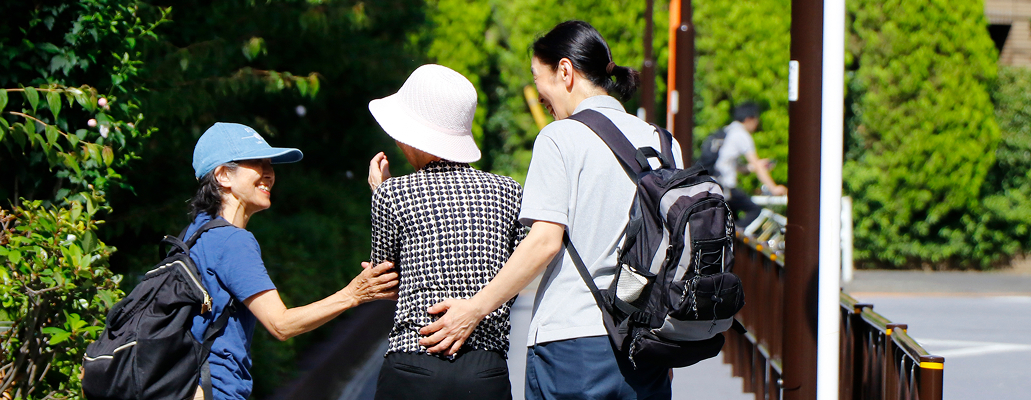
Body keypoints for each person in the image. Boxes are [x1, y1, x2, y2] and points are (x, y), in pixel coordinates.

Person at [417, 20, 677, 399]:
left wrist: (473, 311)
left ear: (566, 71)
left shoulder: (560, 137)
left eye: (542, 93)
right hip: (647, 347)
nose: (545, 105)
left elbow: (543, 243)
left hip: (573, 346)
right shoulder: (662, 142)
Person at [185, 122, 399, 400]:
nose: (269, 173)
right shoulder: (232, 241)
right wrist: (353, 294)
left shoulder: (195, 233)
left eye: (269, 164)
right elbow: (281, 325)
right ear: (223, 175)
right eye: (256, 163)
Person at [366, 64, 526, 400]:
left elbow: (384, 279)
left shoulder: (393, 193)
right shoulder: (509, 191)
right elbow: (521, 271)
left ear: (410, 134)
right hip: (485, 367)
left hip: (413, 360)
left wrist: (379, 193)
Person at [713, 101, 787, 226]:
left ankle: (731, 240)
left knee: (731, 219)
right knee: (755, 211)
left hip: (715, 184)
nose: (757, 125)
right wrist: (773, 188)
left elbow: (729, 164)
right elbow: (757, 165)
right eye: (756, 120)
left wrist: (752, 167)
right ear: (749, 119)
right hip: (726, 187)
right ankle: (733, 238)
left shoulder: (727, 131)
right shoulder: (741, 134)